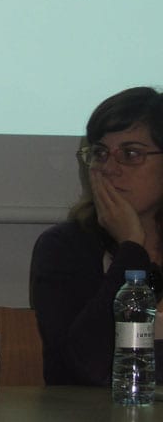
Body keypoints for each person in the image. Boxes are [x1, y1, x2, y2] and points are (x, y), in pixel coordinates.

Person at [30, 86, 163, 386]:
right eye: (100, 153)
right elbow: (83, 369)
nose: (109, 169)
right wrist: (131, 249)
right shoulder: (64, 247)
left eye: (131, 154)